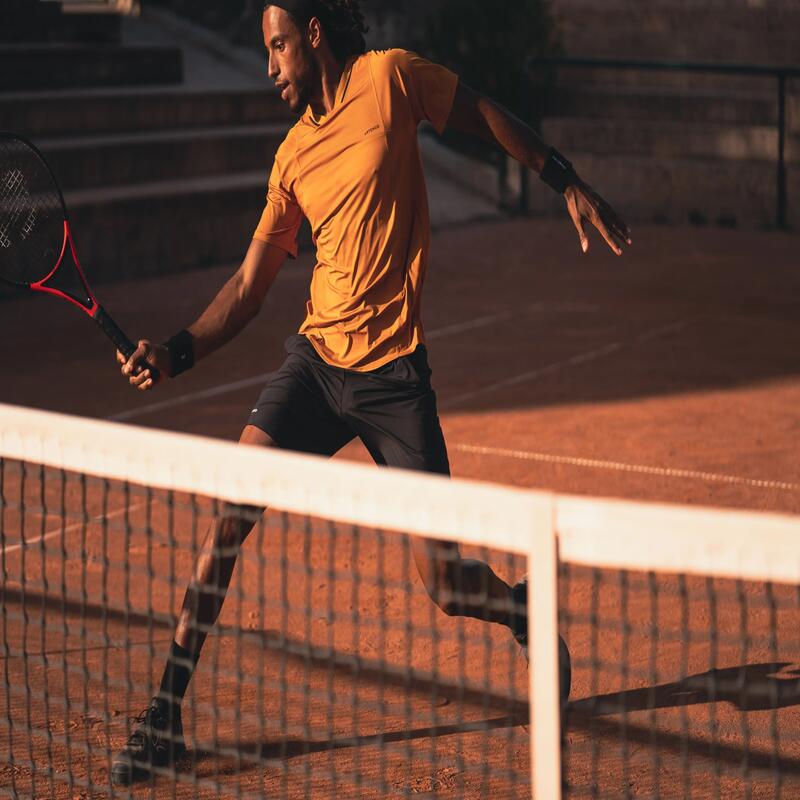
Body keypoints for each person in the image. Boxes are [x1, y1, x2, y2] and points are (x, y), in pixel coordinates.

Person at [111, 0, 631, 785]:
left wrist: (562, 177)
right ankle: (165, 714)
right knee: (229, 515)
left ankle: (522, 609)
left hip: (394, 379)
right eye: (266, 50)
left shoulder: (391, 78)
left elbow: (482, 111)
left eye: (278, 46)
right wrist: (178, 350)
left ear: (314, 35)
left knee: (446, 583)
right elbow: (251, 288)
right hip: (315, 367)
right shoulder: (291, 157)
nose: (269, 66)